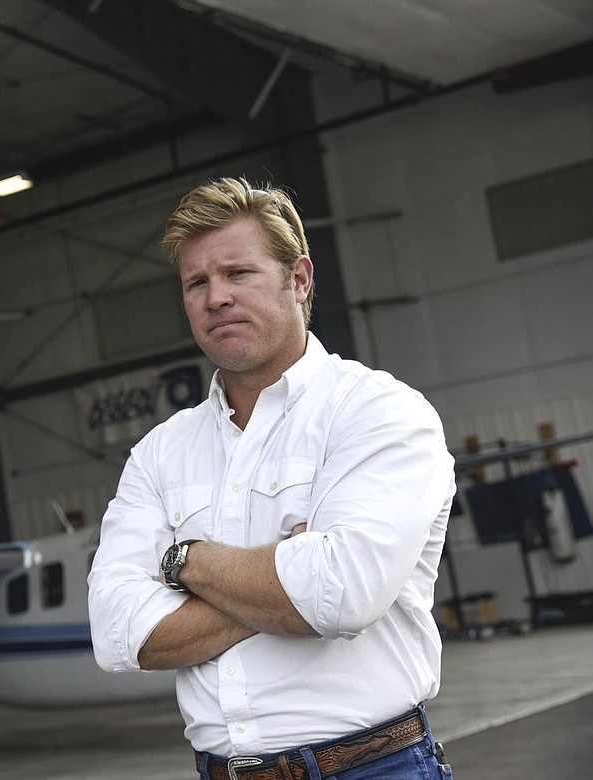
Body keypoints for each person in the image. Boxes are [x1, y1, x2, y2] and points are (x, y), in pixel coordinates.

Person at [87, 177, 456, 779]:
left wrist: (186, 564)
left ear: (300, 280)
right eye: (197, 283)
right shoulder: (158, 453)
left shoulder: (379, 412)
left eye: (238, 273)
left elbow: (340, 596)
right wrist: (286, 575)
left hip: (372, 768)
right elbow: (119, 635)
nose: (216, 298)